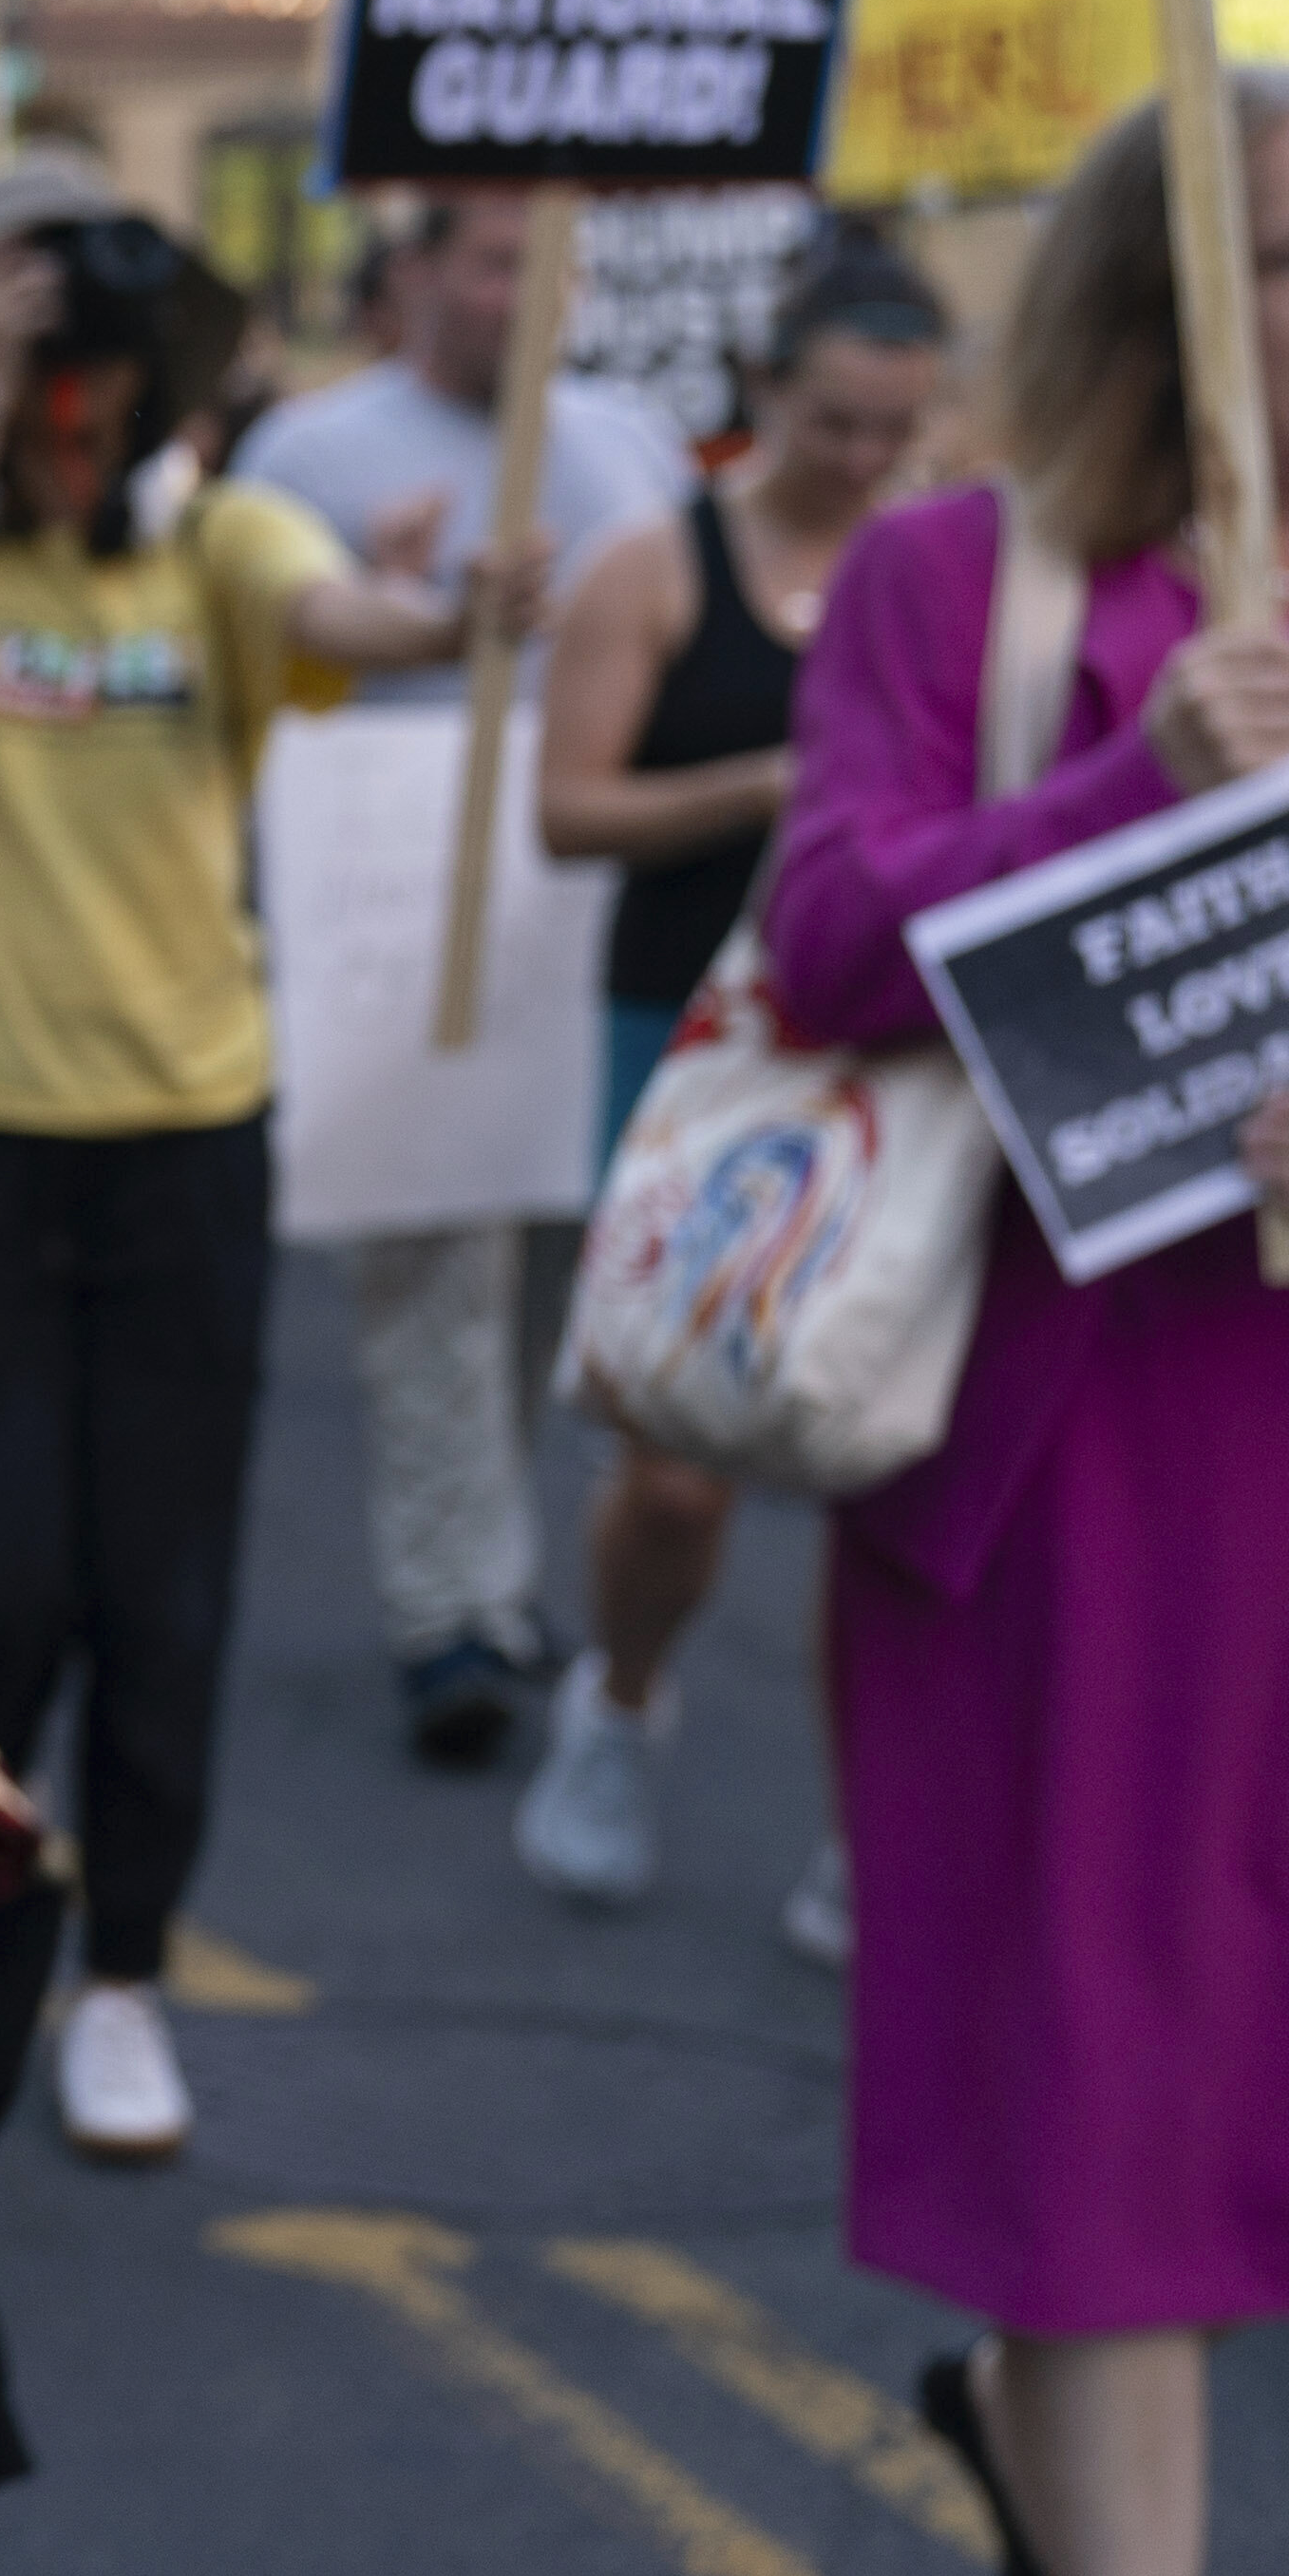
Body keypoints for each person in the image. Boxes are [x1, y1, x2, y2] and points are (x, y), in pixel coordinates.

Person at [756, 76, 1289, 2576]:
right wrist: (1121, 789)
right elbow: (828, 946)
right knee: (1106, 2182)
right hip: (1068, 1503)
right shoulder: (968, 589)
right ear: (1158, 291)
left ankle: (1048, 2479)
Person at [0, 170, 533, 2166]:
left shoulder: (220, 540)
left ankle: (122, 1971)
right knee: (0, 1579)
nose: (74, 413)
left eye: (100, 382)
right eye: (44, 375)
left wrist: (459, 605)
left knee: (162, 1584)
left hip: (181, 1143)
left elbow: (353, 615)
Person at [226, 191, 692, 1768]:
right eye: (495, 260)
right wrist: (397, 601)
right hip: (390, 916)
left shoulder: (635, 450)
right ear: (415, 273)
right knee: (429, 1267)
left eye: (550, 261)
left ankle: (486, 1558)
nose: (527, 291)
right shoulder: (309, 457)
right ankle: (451, 1610)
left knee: (558, 1269)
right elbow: (252, 659)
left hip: (585, 921)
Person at [516, 235, 950, 1920]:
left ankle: (873, 1819)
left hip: (884, 1044)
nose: (862, 459)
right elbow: (568, 811)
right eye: (836, 420)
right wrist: (776, 786)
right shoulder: (659, 565)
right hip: (690, 1036)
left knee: (880, 1449)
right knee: (683, 1460)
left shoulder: (945, 567)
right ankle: (619, 1701)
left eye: (894, 430)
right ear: (767, 390)